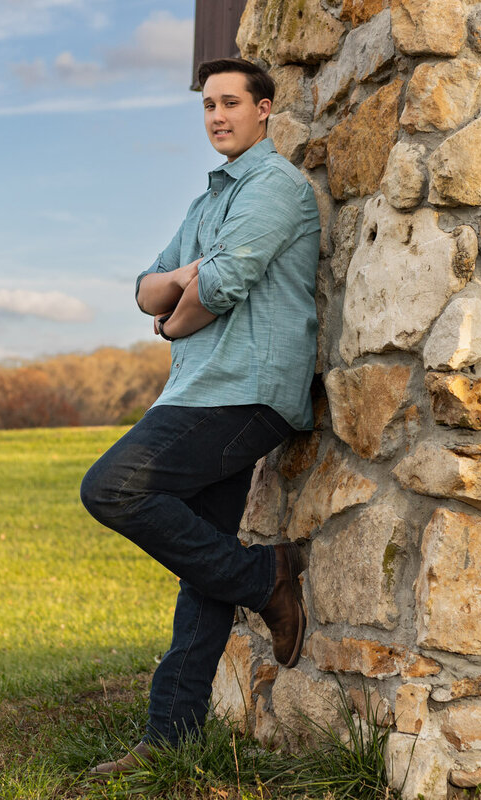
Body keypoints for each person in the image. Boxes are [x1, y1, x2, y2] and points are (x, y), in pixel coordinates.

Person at [79, 57, 321, 774]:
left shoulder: (274, 188)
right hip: (202, 392)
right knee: (202, 568)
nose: (217, 116)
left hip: (244, 393)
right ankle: (171, 741)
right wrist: (180, 284)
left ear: (265, 110)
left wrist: (180, 308)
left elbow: (218, 285)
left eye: (231, 104)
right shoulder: (209, 200)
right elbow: (146, 289)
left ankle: (265, 579)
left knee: (111, 487)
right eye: (209, 106)